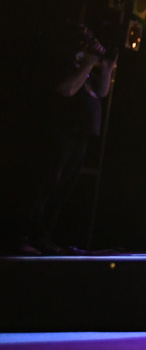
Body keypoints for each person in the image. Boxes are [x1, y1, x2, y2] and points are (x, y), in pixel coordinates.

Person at [2, 23, 116, 255]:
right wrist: (88, 63)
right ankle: (20, 237)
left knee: (61, 190)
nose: (92, 43)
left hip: (80, 134)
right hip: (60, 132)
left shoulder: (82, 66)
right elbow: (66, 90)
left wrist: (106, 69)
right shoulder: (62, 62)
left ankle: (42, 237)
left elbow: (101, 92)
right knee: (43, 186)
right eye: (87, 39)